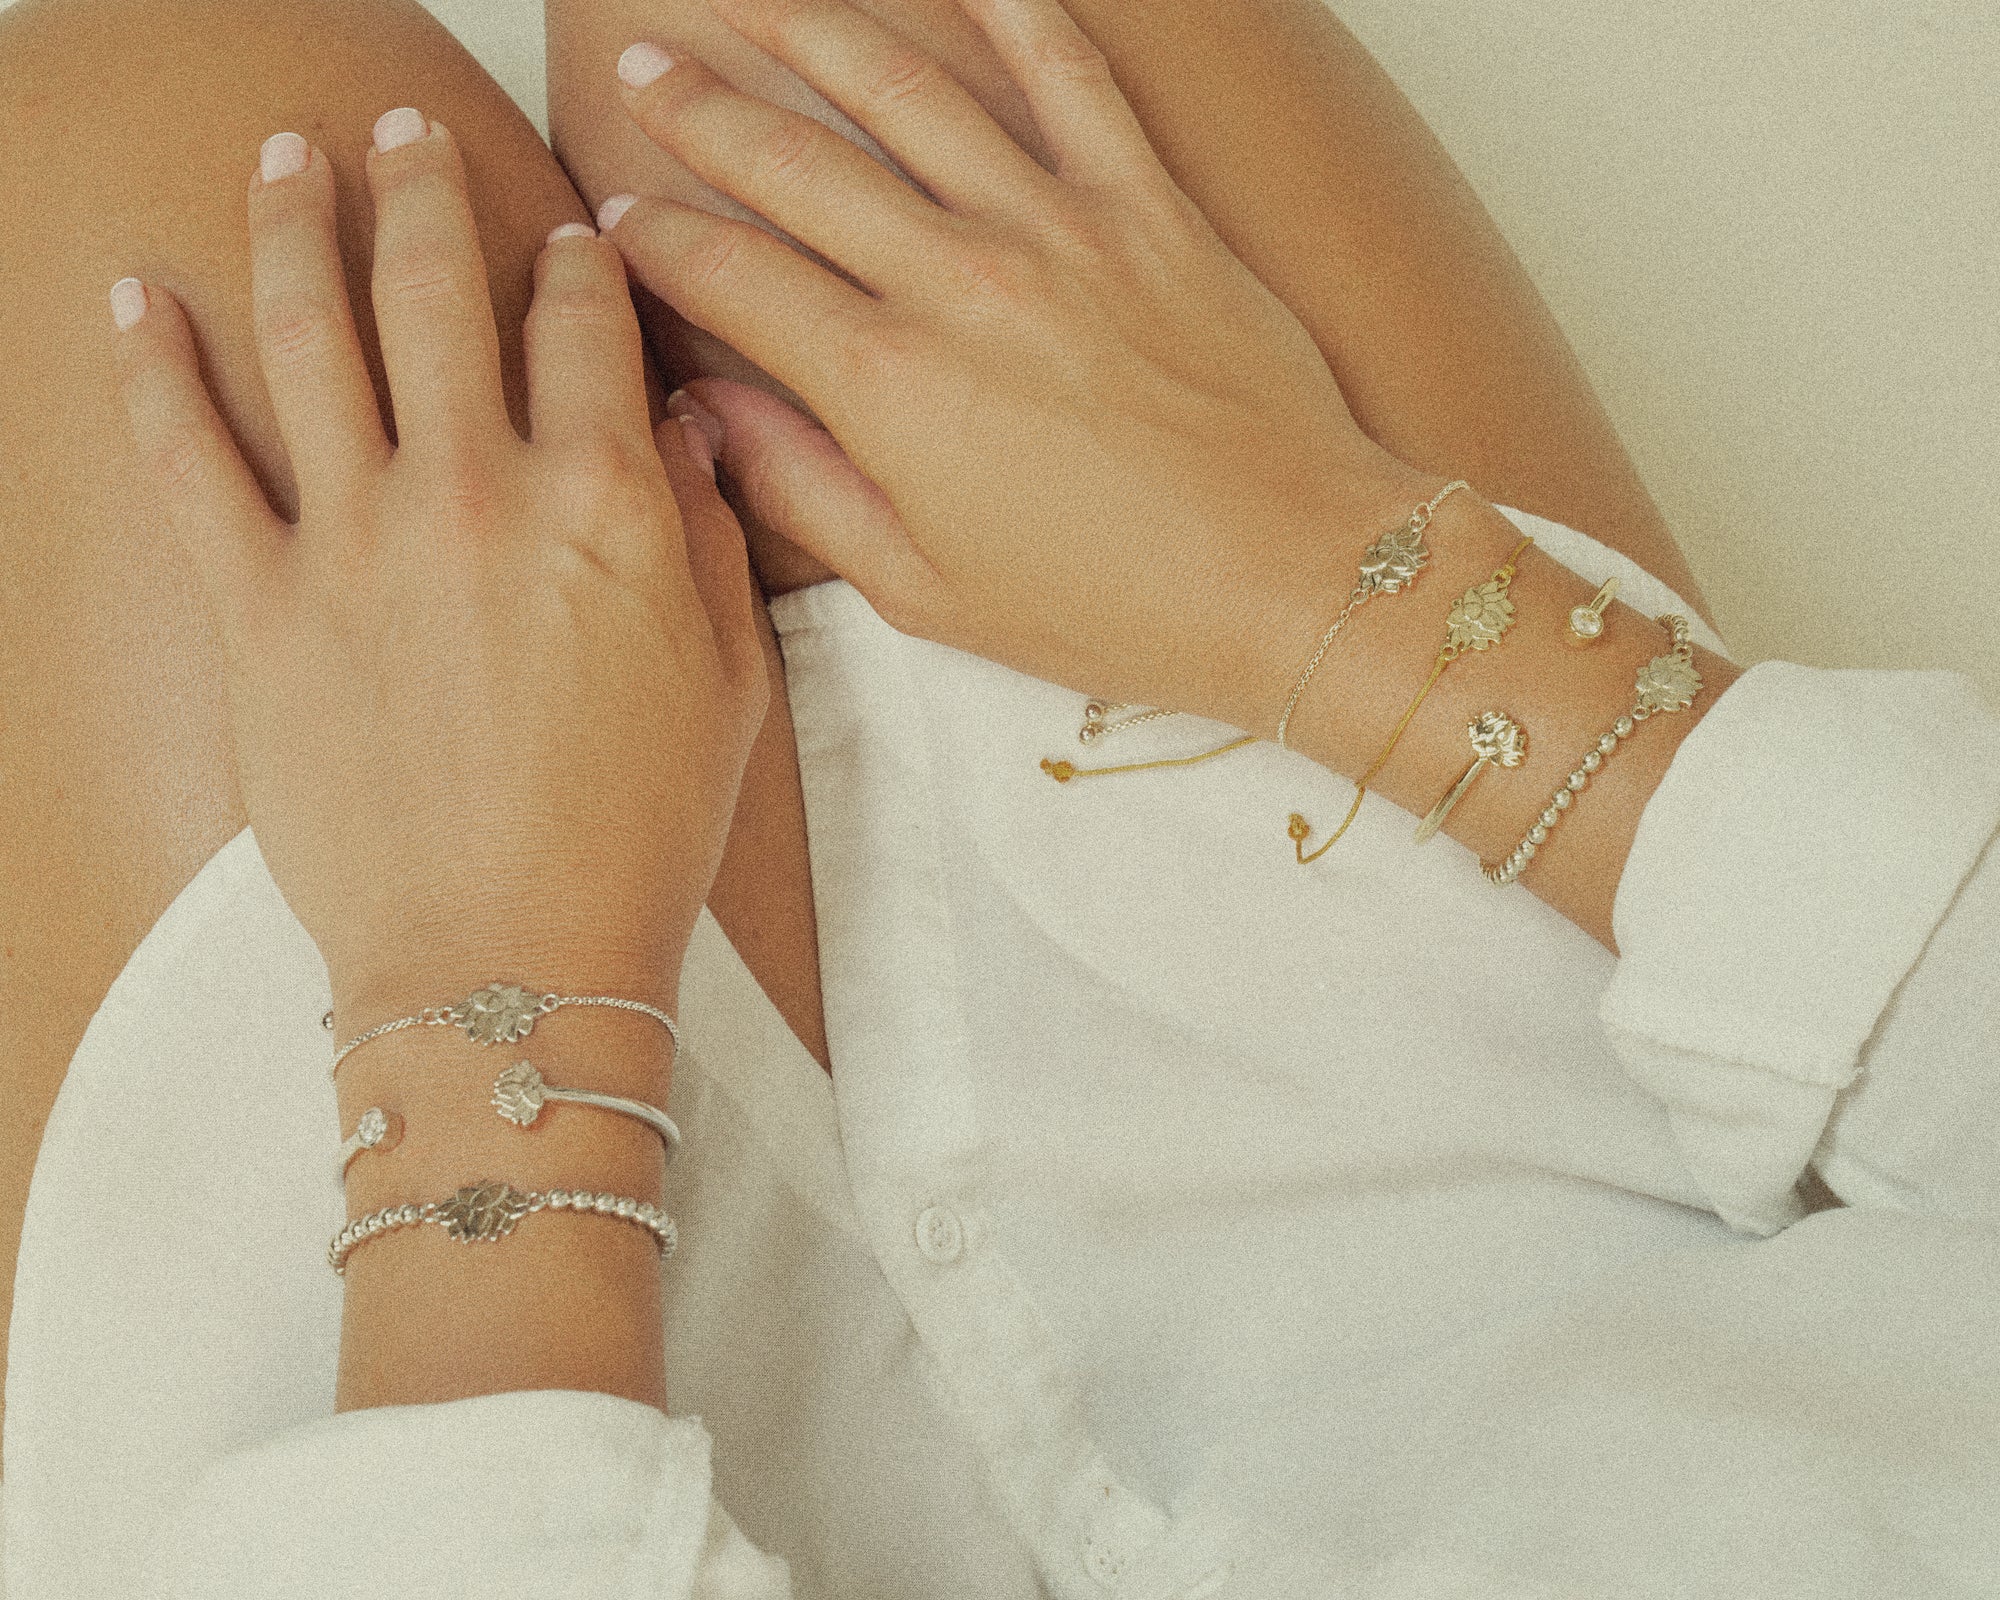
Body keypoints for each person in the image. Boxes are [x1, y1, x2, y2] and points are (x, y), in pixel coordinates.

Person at [1, 0, 1995, 1594]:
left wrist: (475, 997)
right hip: (1576, 1181)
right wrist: (1338, 587)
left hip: (448, 1402)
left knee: (132, 150)